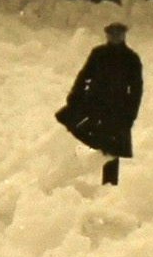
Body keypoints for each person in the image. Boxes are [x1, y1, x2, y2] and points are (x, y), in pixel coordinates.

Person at [55, 23, 142, 186]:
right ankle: (81, 158)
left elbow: (136, 90)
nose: (115, 36)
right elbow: (84, 76)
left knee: (112, 150)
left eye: (119, 33)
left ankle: (109, 186)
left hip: (117, 109)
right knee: (66, 122)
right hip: (94, 104)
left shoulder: (131, 58)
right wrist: (74, 96)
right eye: (112, 33)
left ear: (124, 35)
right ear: (107, 35)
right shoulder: (98, 54)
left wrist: (130, 115)